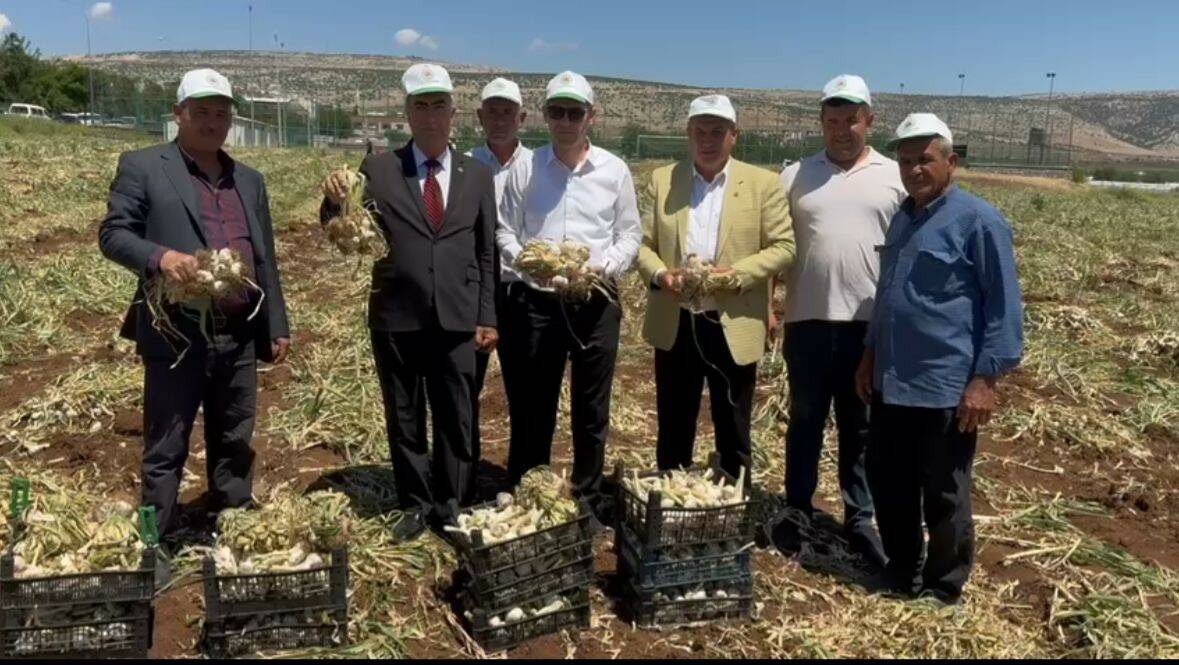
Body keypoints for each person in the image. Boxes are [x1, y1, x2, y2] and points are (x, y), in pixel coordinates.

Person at [98, 68, 291, 576]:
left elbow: (265, 258)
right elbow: (113, 234)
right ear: (178, 114)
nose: (212, 122)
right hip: (176, 334)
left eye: (221, 113)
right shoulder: (144, 166)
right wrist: (162, 258)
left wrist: (276, 324)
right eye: (201, 112)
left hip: (238, 333)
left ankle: (234, 524)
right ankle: (155, 545)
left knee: (234, 437)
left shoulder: (249, 180)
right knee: (167, 443)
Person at [320, 63, 498, 540]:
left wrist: (487, 314)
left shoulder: (478, 175)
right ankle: (415, 504)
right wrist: (335, 200)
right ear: (408, 113)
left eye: (440, 105)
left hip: (459, 313)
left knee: (457, 413)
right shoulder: (379, 170)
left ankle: (453, 503)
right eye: (422, 105)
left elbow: (486, 250)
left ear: (453, 113)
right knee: (404, 413)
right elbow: (340, 223)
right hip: (396, 312)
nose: (431, 115)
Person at [856, 113, 1023, 604]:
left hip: (945, 385)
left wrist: (985, 381)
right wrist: (869, 354)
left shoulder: (980, 221)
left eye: (924, 160)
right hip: (892, 379)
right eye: (905, 161)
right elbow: (887, 296)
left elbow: (1004, 307)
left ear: (951, 162)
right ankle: (901, 571)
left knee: (945, 492)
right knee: (890, 481)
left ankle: (944, 586)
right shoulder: (903, 217)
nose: (914, 170)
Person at [496, 71, 642, 524]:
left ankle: (588, 495)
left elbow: (630, 235)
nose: (564, 121)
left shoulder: (614, 171)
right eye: (556, 111)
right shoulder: (525, 168)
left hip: (595, 301)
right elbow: (505, 230)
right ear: (544, 116)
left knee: (591, 406)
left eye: (573, 112)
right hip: (538, 302)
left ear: (591, 117)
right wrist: (527, 262)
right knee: (533, 402)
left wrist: (606, 266)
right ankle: (530, 492)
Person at [774, 75, 905, 564]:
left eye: (851, 119)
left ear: (870, 121)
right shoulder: (795, 176)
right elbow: (774, 244)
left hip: (867, 327)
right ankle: (797, 508)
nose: (842, 129)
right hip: (807, 318)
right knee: (805, 418)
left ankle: (859, 517)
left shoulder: (894, 176)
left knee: (860, 424)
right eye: (832, 120)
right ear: (822, 122)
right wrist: (768, 304)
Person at [635, 94, 794, 478]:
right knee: (674, 421)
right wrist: (661, 276)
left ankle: (733, 494)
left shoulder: (763, 184)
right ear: (688, 134)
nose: (707, 140)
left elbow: (784, 247)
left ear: (734, 135)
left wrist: (736, 276)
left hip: (732, 320)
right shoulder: (662, 180)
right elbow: (641, 244)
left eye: (717, 132)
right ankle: (673, 493)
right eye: (700, 131)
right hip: (677, 320)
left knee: (733, 423)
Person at [465, 77, 533, 500]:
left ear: (522, 118)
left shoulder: (538, 167)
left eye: (508, 111)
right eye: (492, 111)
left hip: (520, 290)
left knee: (524, 390)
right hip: (474, 290)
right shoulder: (465, 165)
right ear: (480, 116)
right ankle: (464, 474)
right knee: (466, 385)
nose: (500, 118)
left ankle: (521, 476)